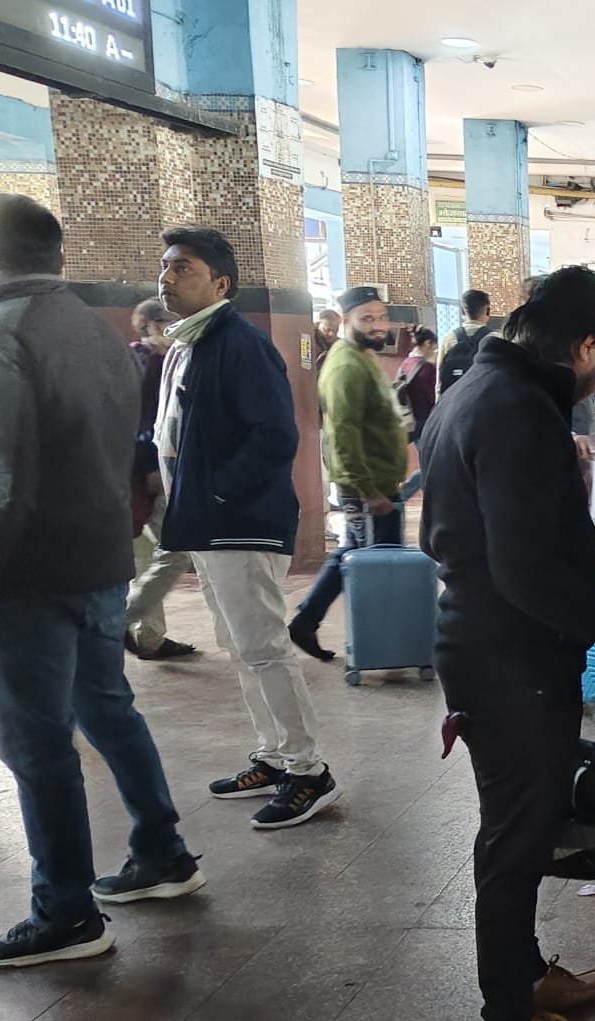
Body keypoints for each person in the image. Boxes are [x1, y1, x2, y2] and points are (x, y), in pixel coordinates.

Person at [0, 195, 205, 967]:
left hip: (29, 579)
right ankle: (163, 852)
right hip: (101, 562)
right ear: (57, 257)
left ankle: (66, 912)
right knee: (107, 709)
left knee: (38, 744)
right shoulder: (98, 332)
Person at [418, 266, 595, 1021]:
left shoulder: (472, 389)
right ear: (585, 346)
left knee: (524, 821)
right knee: (516, 838)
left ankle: (524, 974)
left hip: (489, 645)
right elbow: (523, 569)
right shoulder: (518, 409)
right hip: (510, 655)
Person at [155, 226, 336, 830]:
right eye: (166, 266)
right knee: (239, 647)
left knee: (263, 647)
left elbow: (275, 436)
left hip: (240, 522)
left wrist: (216, 491)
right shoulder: (187, 344)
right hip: (206, 522)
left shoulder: (240, 343)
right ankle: (275, 755)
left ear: (220, 283)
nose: (167, 277)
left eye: (183, 267)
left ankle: (309, 770)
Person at [288, 285, 408, 662]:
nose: (377, 325)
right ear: (345, 320)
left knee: (352, 555)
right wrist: (369, 491)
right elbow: (343, 436)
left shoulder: (361, 357)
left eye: (382, 317)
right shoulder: (345, 367)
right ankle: (381, 648)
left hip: (378, 484)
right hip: (368, 489)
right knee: (375, 568)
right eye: (366, 318)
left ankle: (306, 621)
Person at [124, 298, 196, 661]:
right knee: (178, 548)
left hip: (134, 472)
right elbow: (143, 420)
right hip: (151, 473)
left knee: (144, 556)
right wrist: (151, 466)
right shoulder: (151, 360)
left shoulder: (138, 357)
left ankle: (148, 637)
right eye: (168, 320)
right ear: (151, 324)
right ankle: (122, 622)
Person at [437, 289, 492, 395]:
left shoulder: (449, 339)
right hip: (486, 401)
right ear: (487, 311)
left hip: (455, 401)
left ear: (462, 311)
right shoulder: (495, 339)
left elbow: (439, 381)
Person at [397, 325, 439, 441]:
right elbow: (432, 396)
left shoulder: (406, 363)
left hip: (408, 415)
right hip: (424, 417)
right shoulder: (427, 368)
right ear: (427, 343)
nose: (433, 352)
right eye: (434, 348)